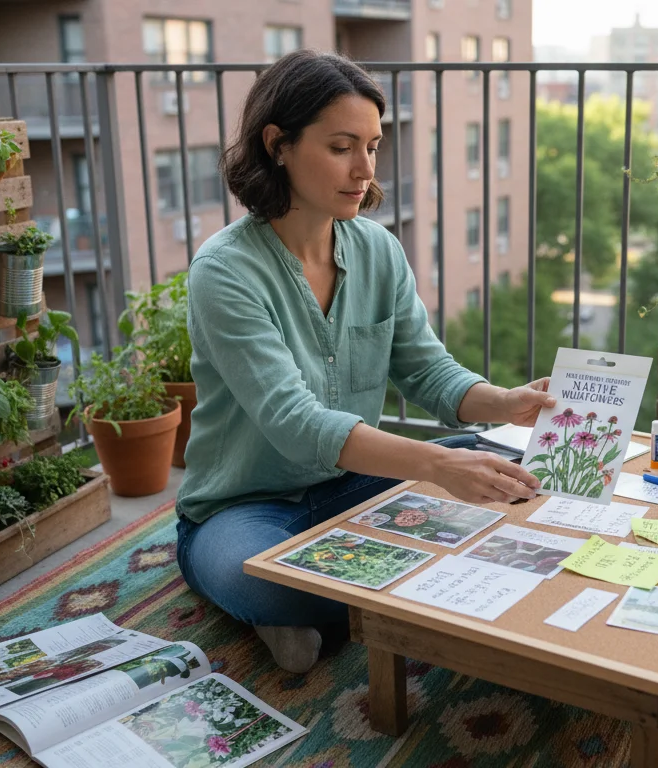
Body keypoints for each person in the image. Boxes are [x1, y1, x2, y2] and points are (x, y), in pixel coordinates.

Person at [174, 50, 554, 674]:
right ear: (278, 145)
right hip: (243, 507)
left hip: (354, 490)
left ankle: (341, 602)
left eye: (373, 147)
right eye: (342, 146)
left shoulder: (377, 249)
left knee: (506, 466)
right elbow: (295, 422)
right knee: (261, 580)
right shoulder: (225, 272)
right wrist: (437, 463)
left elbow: (428, 372)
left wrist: (506, 402)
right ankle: (297, 606)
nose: (363, 169)